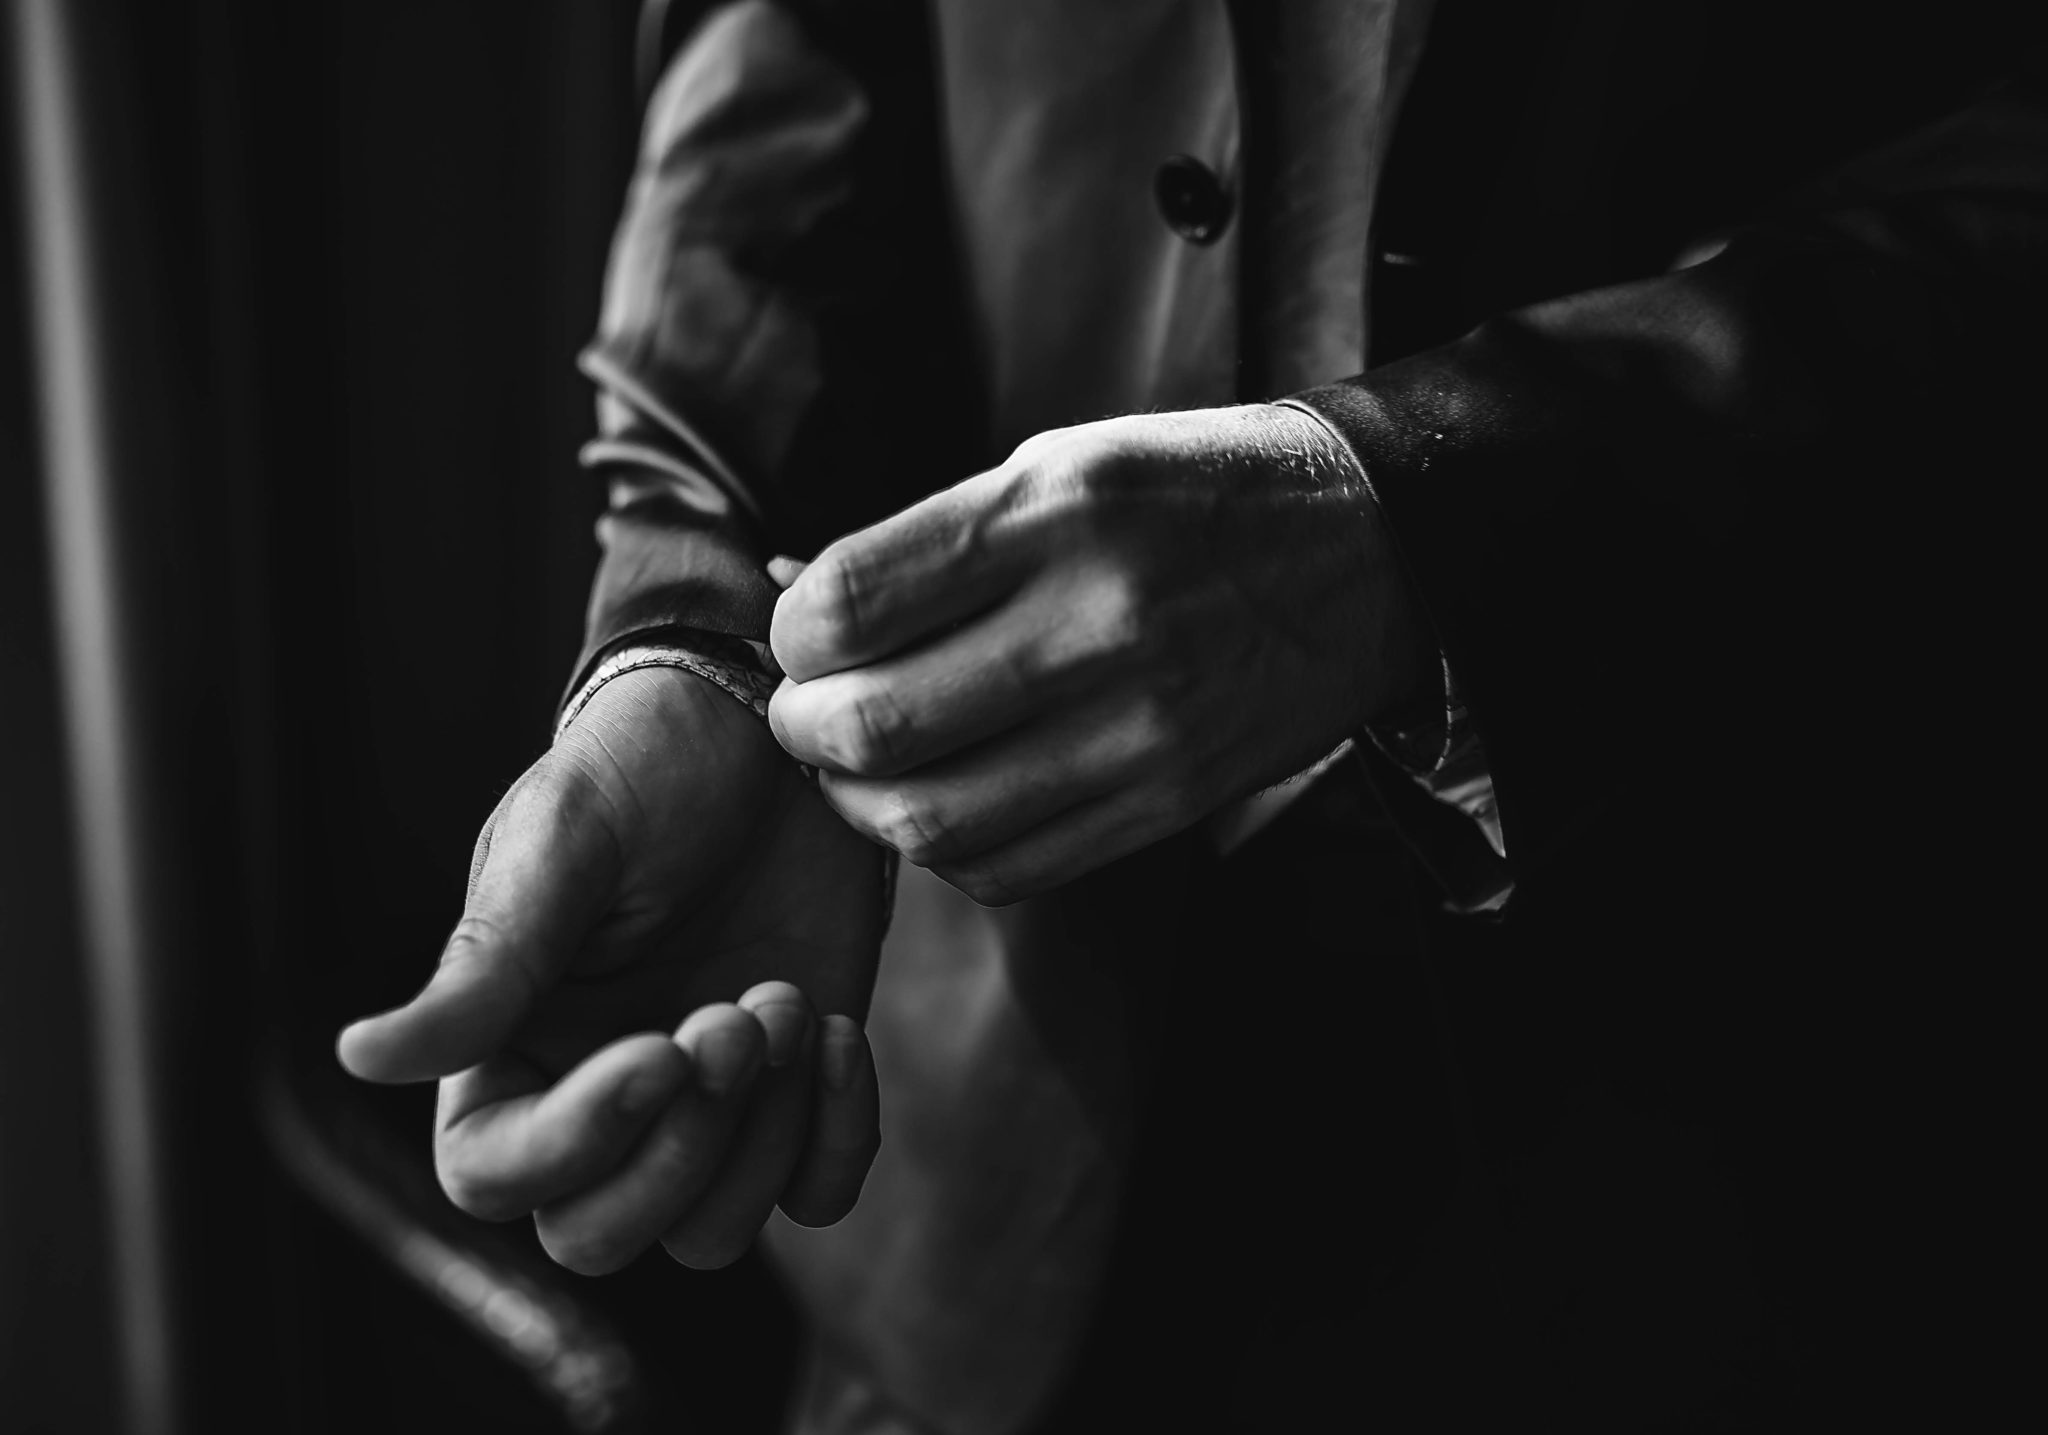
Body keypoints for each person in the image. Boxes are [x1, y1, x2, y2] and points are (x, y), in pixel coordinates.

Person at [342, 1, 2047, 1428]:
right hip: (977, 1178)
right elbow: (792, 62)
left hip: (1792, 1111)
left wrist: (1434, 513)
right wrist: (698, 631)